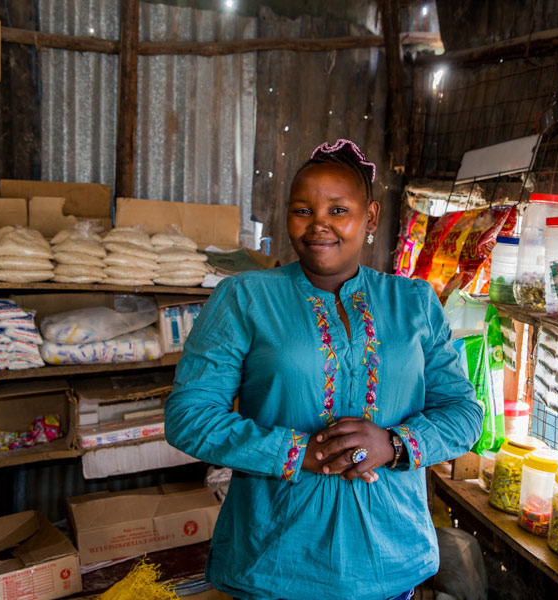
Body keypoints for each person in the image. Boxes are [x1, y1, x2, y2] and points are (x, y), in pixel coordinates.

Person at [165, 139, 483, 600]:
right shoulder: (245, 297)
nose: (319, 225)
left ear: (370, 217)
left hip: (390, 562)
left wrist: (394, 443)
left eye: (338, 210)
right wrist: (298, 453)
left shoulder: (414, 302)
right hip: (275, 561)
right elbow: (189, 416)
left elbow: (463, 413)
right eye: (302, 210)